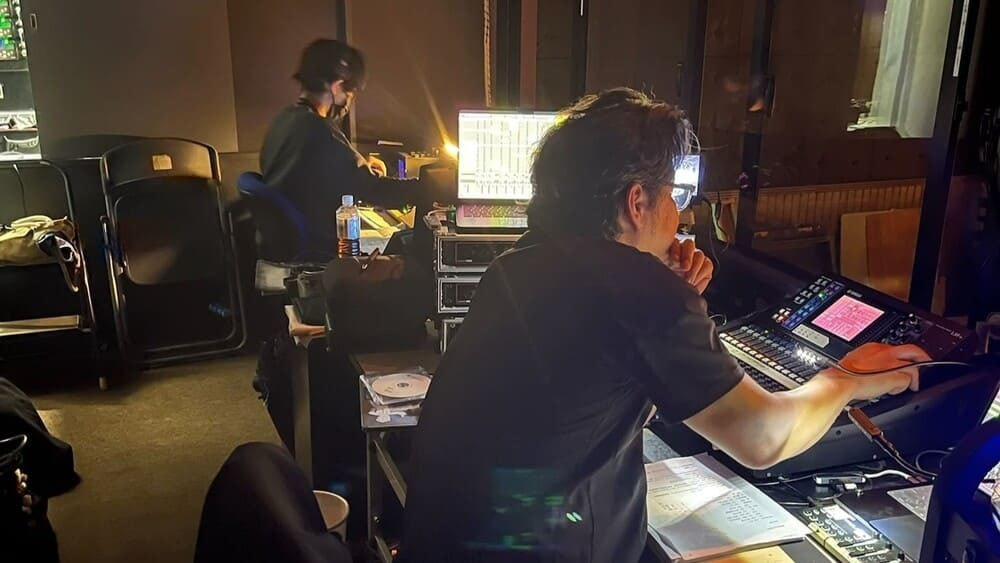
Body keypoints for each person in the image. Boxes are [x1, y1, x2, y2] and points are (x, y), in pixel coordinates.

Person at [399, 88, 929, 562]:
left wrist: (673, 295)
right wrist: (845, 379)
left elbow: (594, 387)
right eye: (674, 195)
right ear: (637, 201)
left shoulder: (519, 263)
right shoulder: (634, 288)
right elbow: (763, 439)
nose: (680, 213)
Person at [260, 38, 421, 253]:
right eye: (350, 93)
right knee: (404, 244)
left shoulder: (284, 120)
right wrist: (431, 188)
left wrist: (360, 168)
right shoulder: (318, 130)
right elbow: (376, 190)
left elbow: (321, 172)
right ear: (336, 87)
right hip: (317, 249)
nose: (348, 102)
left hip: (286, 243)